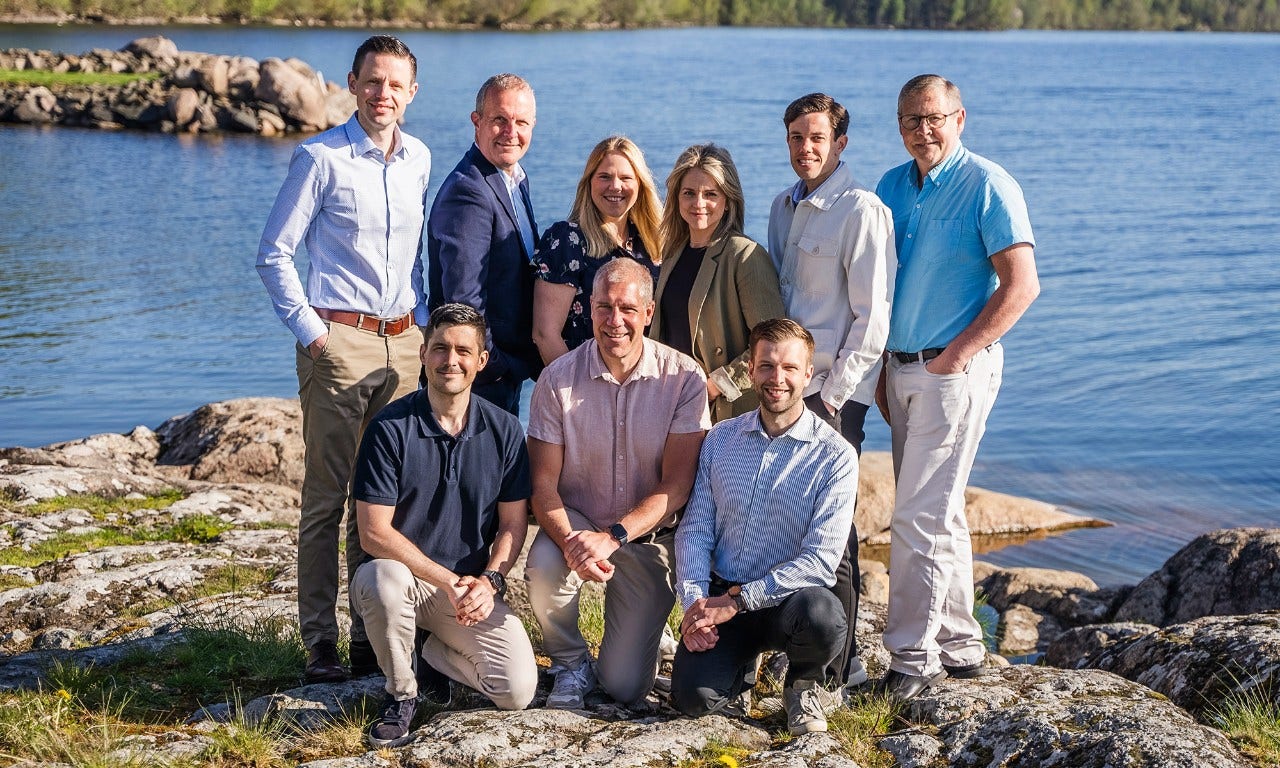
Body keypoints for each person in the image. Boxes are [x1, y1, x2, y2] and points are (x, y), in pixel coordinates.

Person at [256, 35, 429, 683]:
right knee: (327, 500)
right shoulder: (320, 157)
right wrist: (313, 334)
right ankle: (319, 643)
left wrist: (424, 325)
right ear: (352, 84)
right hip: (339, 342)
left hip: (404, 344)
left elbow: (415, 257)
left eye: (395, 84)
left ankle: (369, 636)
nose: (383, 94)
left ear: (411, 94)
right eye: (372, 81)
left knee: (380, 498)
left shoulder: (419, 158)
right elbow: (274, 254)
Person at [873, 74, 1040, 703]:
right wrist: (883, 367)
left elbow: (1022, 286)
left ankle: (912, 662)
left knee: (916, 514)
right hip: (899, 368)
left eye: (934, 118)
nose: (923, 130)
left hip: (953, 370)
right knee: (938, 512)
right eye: (911, 120)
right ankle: (961, 643)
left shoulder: (989, 184)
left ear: (959, 118)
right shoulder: (891, 186)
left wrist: (957, 357)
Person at [526, 257, 710, 710]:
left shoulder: (684, 378)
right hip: (579, 520)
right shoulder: (556, 378)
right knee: (544, 564)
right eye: (604, 307)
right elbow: (543, 485)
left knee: (624, 687)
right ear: (589, 308)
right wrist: (572, 543)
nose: (614, 321)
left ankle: (645, 638)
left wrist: (614, 537)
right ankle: (569, 661)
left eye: (627, 308)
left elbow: (678, 484)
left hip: (646, 537)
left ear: (648, 312)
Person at [351, 303, 537, 747]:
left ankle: (432, 654)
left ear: (482, 360)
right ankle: (402, 695)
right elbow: (373, 532)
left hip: (467, 591)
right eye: (439, 348)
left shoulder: (506, 430)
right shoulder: (389, 428)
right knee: (381, 578)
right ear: (422, 353)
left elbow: (513, 525)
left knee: (516, 691)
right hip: (405, 581)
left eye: (463, 351)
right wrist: (447, 580)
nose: (450, 360)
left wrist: (490, 581)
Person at [671, 318, 858, 736]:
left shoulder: (836, 457)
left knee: (824, 616)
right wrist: (695, 607)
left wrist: (739, 601)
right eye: (767, 366)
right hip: (723, 597)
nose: (778, 379)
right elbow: (696, 530)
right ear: (751, 370)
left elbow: (821, 561)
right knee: (693, 700)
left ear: (808, 374)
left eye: (790, 368)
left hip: (790, 604)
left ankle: (802, 685)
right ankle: (742, 674)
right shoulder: (720, 440)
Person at [767, 92, 896, 691]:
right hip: (785, 389)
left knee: (835, 535)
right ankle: (804, 646)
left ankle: (839, 672)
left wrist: (833, 398)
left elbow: (873, 318)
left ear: (840, 143)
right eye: (797, 137)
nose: (806, 148)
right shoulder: (782, 207)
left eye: (818, 138)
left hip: (831, 399)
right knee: (792, 526)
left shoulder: (861, 210)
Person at [428, 73, 542, 416]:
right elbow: (463, 298)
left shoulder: (514, 179)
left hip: (504, 372)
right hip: (480, 379)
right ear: (476, 121)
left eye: (521, 122)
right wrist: (496, 365)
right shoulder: (469, 191)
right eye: (499, 120)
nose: (511, 132)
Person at [650, 144, 785, 423]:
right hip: (671, 402)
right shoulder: (673, 253)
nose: (698, 203)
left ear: (728, 200)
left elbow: (773, 342)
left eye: (710, 194)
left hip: (725, 410)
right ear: (676, 198)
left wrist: (714, 386)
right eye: (689, 193)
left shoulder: (744, 255)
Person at [531, 136, 663, 364]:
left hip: (645, 380)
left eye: (626, 178)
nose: (615, 186)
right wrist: (575, 384)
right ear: (589, 182)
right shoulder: (568, 240)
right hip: (582, 377)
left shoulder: (653, 243)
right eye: (605, 177)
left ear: (640, 185)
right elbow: (545, 334)